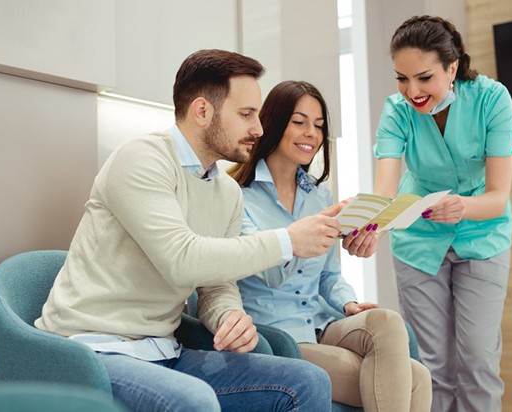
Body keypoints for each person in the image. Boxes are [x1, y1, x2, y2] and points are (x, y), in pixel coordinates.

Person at [35, 49, 341, 412]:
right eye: (245, 114)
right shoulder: (142, 160)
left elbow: (216, 284)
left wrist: (227, 315)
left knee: (306, 381)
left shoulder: (226, 192)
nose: (258, 129)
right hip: (92, 350)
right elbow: (182, 260)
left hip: (164, 350)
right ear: (202, 111)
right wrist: (287, 240)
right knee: (193, 400)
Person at [229, 80, 432, 412]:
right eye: (299, 122)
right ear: (274, 123)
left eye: (319, 125)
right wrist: (308, 231)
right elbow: (268, 274)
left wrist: (348, 303)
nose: (312, 133)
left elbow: (329, 276)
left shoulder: (319, 195)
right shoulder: (237, 195)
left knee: (388, 322)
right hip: (278, 335)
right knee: (416, 380)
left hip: (322, 322)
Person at [373, 15, 512, 412]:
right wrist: (369, 224)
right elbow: (385, 191)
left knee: (478, 361)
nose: (412, 91)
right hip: (418, 240)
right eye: (402, 79)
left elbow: (497, 196)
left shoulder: (492, 99)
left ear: (451, 67)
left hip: (482, 234)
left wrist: (462, 207)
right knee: (431, 367)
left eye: (424, 78)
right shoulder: (396, 111)